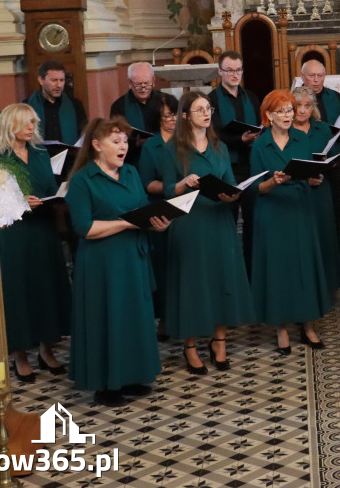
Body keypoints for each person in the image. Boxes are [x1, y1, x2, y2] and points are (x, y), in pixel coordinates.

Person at [65, 117, 169, 406]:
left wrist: (155, 222)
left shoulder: (132, 173)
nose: (123, 146)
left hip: (132, 256)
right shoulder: (83, 180)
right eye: (116, 141)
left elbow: (142, 209)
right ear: (97, 146)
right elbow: (83, 228)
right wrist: (124, 224)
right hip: (102, 264)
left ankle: (133, 376)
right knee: (107, 319)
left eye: (125, 140)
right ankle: (106, 385)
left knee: (133, 317)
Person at [161, 91, 256, 374]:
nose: (206, 113)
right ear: (186, 115)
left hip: (218, 219)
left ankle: (219, 341)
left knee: (220, 280)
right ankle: (190, 346)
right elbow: (167, 190)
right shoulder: (172, 149)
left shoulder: (219, 147)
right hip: (190, 222)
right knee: (193, 283)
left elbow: (228, 182)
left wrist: (232, 195)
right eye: (199, 109)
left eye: (209, 108)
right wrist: (183, 183)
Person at [0, 104, 71, 382]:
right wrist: (21, 203)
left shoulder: (38, 153)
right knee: (19, 292)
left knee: (46, 287)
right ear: (11, 123)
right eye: (26, 122)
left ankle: (47, 350)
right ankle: (19, 356)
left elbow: (48, 187)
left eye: (34, 122)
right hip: (14, 232)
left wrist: (57, 196)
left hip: (42, 228)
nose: (32, 127)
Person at [250, 90, 333, 355]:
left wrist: (314, 179)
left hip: (299, 208)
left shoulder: (301, 139)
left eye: (289, 110)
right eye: (281, 111)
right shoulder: (260, 145)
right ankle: (281, 329)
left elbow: (309, 172)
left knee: (303, 267)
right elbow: (255, 188)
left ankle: (308, 326)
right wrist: (273, 181)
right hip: (272, 212)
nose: (288, 115)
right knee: (278, 271)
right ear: (269, 116)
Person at [208, 50, 262, 265]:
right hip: (225, 170)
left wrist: (254, 137)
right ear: (220, 71)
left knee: (252, 222)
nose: (234, 74)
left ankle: (251, 269)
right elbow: (212, 133)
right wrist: (241, 138)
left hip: (251, 166)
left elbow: (259, 125)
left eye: (238, 70)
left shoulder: (251, 97)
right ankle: (228, 268)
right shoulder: (211, 99)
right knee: (227, 222)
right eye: (229, 70)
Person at [300, 59, 340, 252]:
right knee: (308, 214)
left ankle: (334, 261)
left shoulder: (335, 97)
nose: (316, 80)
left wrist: (333, 133)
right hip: (304, 167)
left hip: (332, 164)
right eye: (311, 75)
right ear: (302, 77)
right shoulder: (294, 100)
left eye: (320, 76)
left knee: (333, 212)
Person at [291, 85, 340, 291]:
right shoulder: (286, 129)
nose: (302, 110)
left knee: (324, 235)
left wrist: (329, 163)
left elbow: (334, 154)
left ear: (313, 107)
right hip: (298, 191)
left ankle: (327, 283)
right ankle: (305, 285)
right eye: (298, 105)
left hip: (321, 188)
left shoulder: (322, 129)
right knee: (302, 239)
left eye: (307, 105)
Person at [137, 93, 180, 339]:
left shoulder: (185, 141)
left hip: (185, 209)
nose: (171, 120)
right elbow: (146, 182)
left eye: (175, 115)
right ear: (157, 118)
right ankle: (164, 317)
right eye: (166, 116)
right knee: (164, 266)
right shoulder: (151, 146)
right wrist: (173, 187)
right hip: (161, 209)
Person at [25, 60, 88, 144]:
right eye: (54, 80)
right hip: (40, 155)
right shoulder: (27, 106)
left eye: (62, 80)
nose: (59, 85)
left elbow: (84, 134)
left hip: (70, 155)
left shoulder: (75, 104)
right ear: (41, 80)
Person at [110, 62, 167, 134]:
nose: (143, 89)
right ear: (130, 83)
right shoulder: (119, 106)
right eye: (138, 84)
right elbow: (116, 134)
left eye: (147, 83)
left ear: (153, 80)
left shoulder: (166, 101)